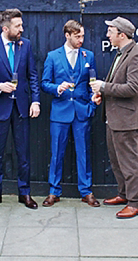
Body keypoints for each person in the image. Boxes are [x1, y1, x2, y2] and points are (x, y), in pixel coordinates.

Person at [0, 8, 41, 210]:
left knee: (23, 153)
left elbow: (32, 75)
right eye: (17, 26)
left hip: (22, 106)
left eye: (21, 25)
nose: (21, 29)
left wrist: (36, 101)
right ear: (6, 28)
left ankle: (25, 193)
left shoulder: (26, 45)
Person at [90, 16, 138, 219]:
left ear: (121, 35)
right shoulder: (121, 53)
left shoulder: (136, 56)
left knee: (130, 162)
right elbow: (118, 84)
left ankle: (135, 203)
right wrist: (102, 94)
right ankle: (124, 194)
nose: (107, 35)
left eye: (110, 32)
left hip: (127, 119)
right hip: (114, 117)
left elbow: (133, 88)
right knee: (117, 161)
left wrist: (104, 87)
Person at [41, 20, 100, 208]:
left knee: (84, 151)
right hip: (60, 111)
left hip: (82, 111)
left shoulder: (88, 55)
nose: (81, 39)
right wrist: (58, 88)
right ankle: (54, 191)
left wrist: (92, 103)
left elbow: (93, 82)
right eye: (77, 36)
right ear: (67, 35)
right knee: (57, 152)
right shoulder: (53, 56)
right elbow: (44, 83)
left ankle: (86, 191)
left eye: (82, 36)